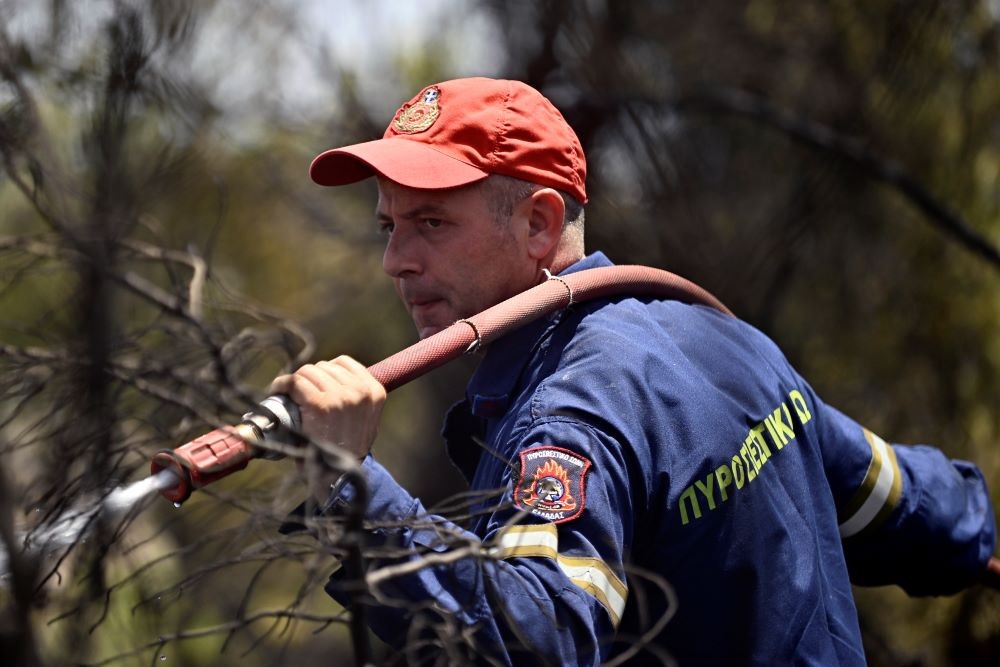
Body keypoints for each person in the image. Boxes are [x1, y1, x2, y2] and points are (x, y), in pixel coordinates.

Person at [269, 77, 998, 665]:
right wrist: (977, 532)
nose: (397, 260)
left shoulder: (568, 415)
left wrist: (353, 489)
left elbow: (538, 639)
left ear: (539, 223)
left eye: (432, 223)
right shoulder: (714, 331)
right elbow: (884, 493)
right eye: (388, 227)